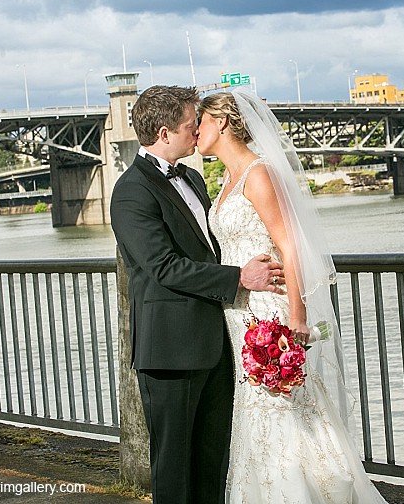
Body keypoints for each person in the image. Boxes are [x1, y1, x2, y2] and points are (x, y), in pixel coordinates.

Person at [197, 89, 389, 504]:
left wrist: (297, 316)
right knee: (256, 406)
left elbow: (290, 246)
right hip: (239, 311)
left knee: (283, 403)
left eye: (201, 121)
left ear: (223, 121)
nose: (194, 130)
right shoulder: (226, 179)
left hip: (271, 307)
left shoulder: (259, 174)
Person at [110, 85, 285, 504]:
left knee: (214, 461)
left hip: (216, 344)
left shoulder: (191, 177)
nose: (197, 131)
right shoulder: (131, 191)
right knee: (174, 467)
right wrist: (239, 279)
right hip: (170, 351)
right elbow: (162, 267)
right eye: (191, 125)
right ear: (166, 132)